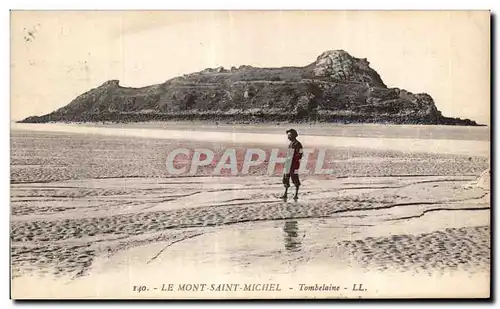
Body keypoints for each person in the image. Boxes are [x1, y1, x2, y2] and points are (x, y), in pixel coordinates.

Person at [280, 129, 303, 201]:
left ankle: (296, 194)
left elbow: (300, 154)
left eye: (289, 135)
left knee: (295, 178)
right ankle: (285, 193)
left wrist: (294, 160)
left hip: (294, 164)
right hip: (288, 163)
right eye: (288, 135)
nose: (288, 137)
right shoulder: (291, 144)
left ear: (294, 135)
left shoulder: (298, 144)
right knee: (286, 178)